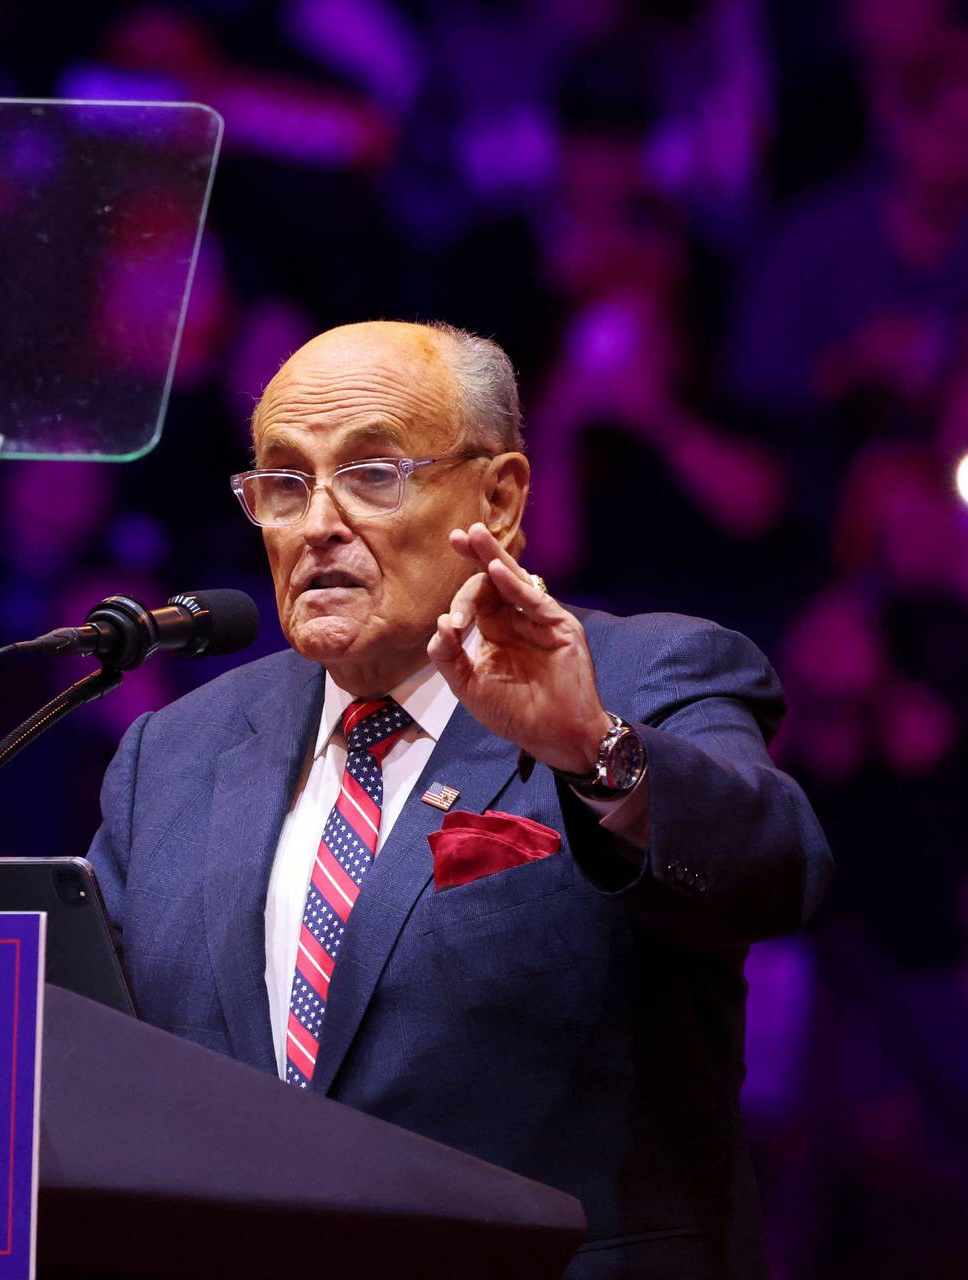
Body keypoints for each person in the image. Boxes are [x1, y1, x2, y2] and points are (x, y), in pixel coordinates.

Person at [86, 320, 832, 1279]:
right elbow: (91, 1040)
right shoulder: (176, 751)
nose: (317, 523)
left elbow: (774, 875)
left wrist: (589, 749)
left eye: (372, 473)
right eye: (284, 481)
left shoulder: (642, 675)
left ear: (500, 495)